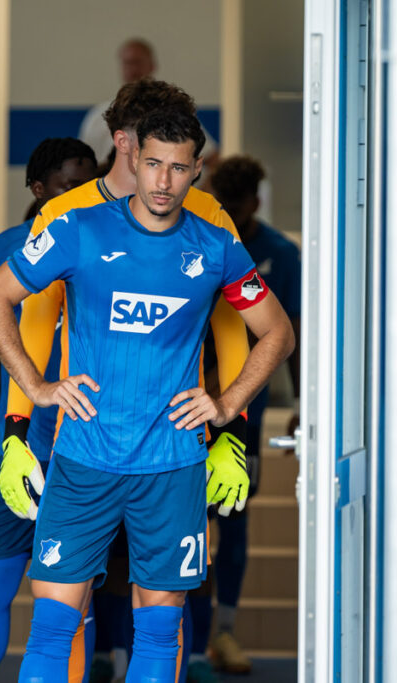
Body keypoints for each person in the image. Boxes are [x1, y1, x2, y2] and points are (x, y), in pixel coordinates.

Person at [0, 109, 294, 683]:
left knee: (159, 630)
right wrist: (36, 387)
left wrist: (227, 408)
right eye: (153, 164)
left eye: (178, 168)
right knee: (51, 627)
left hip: (172, 465)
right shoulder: (78, 229)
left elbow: (277, 333)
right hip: (83, 460)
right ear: (132, 158)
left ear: (197, 170)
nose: (164, 181)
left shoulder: (218, 247)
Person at [0, 137, 97, 683]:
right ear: (38, 190)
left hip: (86, 454)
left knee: (71, 606)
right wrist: (11, 426)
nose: (82, 197)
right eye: (68, 186)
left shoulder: (106, 246)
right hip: (18, 451)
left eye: (90, 185)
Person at [193, 156, 301, 677]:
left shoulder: (280, 253)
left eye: (237, 208)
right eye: (223, 204)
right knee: (190, 522)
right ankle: (190, 641)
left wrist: (303, 405)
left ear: (256, 203)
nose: (229, 215)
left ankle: (225, 632)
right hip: (190, 406)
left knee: (233, 518)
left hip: (244, 410)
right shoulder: (202, 236)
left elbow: (291, 332)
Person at [79, 40, 218, 168]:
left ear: (152, 66)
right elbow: (84, 165)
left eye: (138, 62)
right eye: (127, 63)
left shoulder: (175, 113)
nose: (133, 69)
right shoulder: (99, 116)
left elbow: (213, 159)